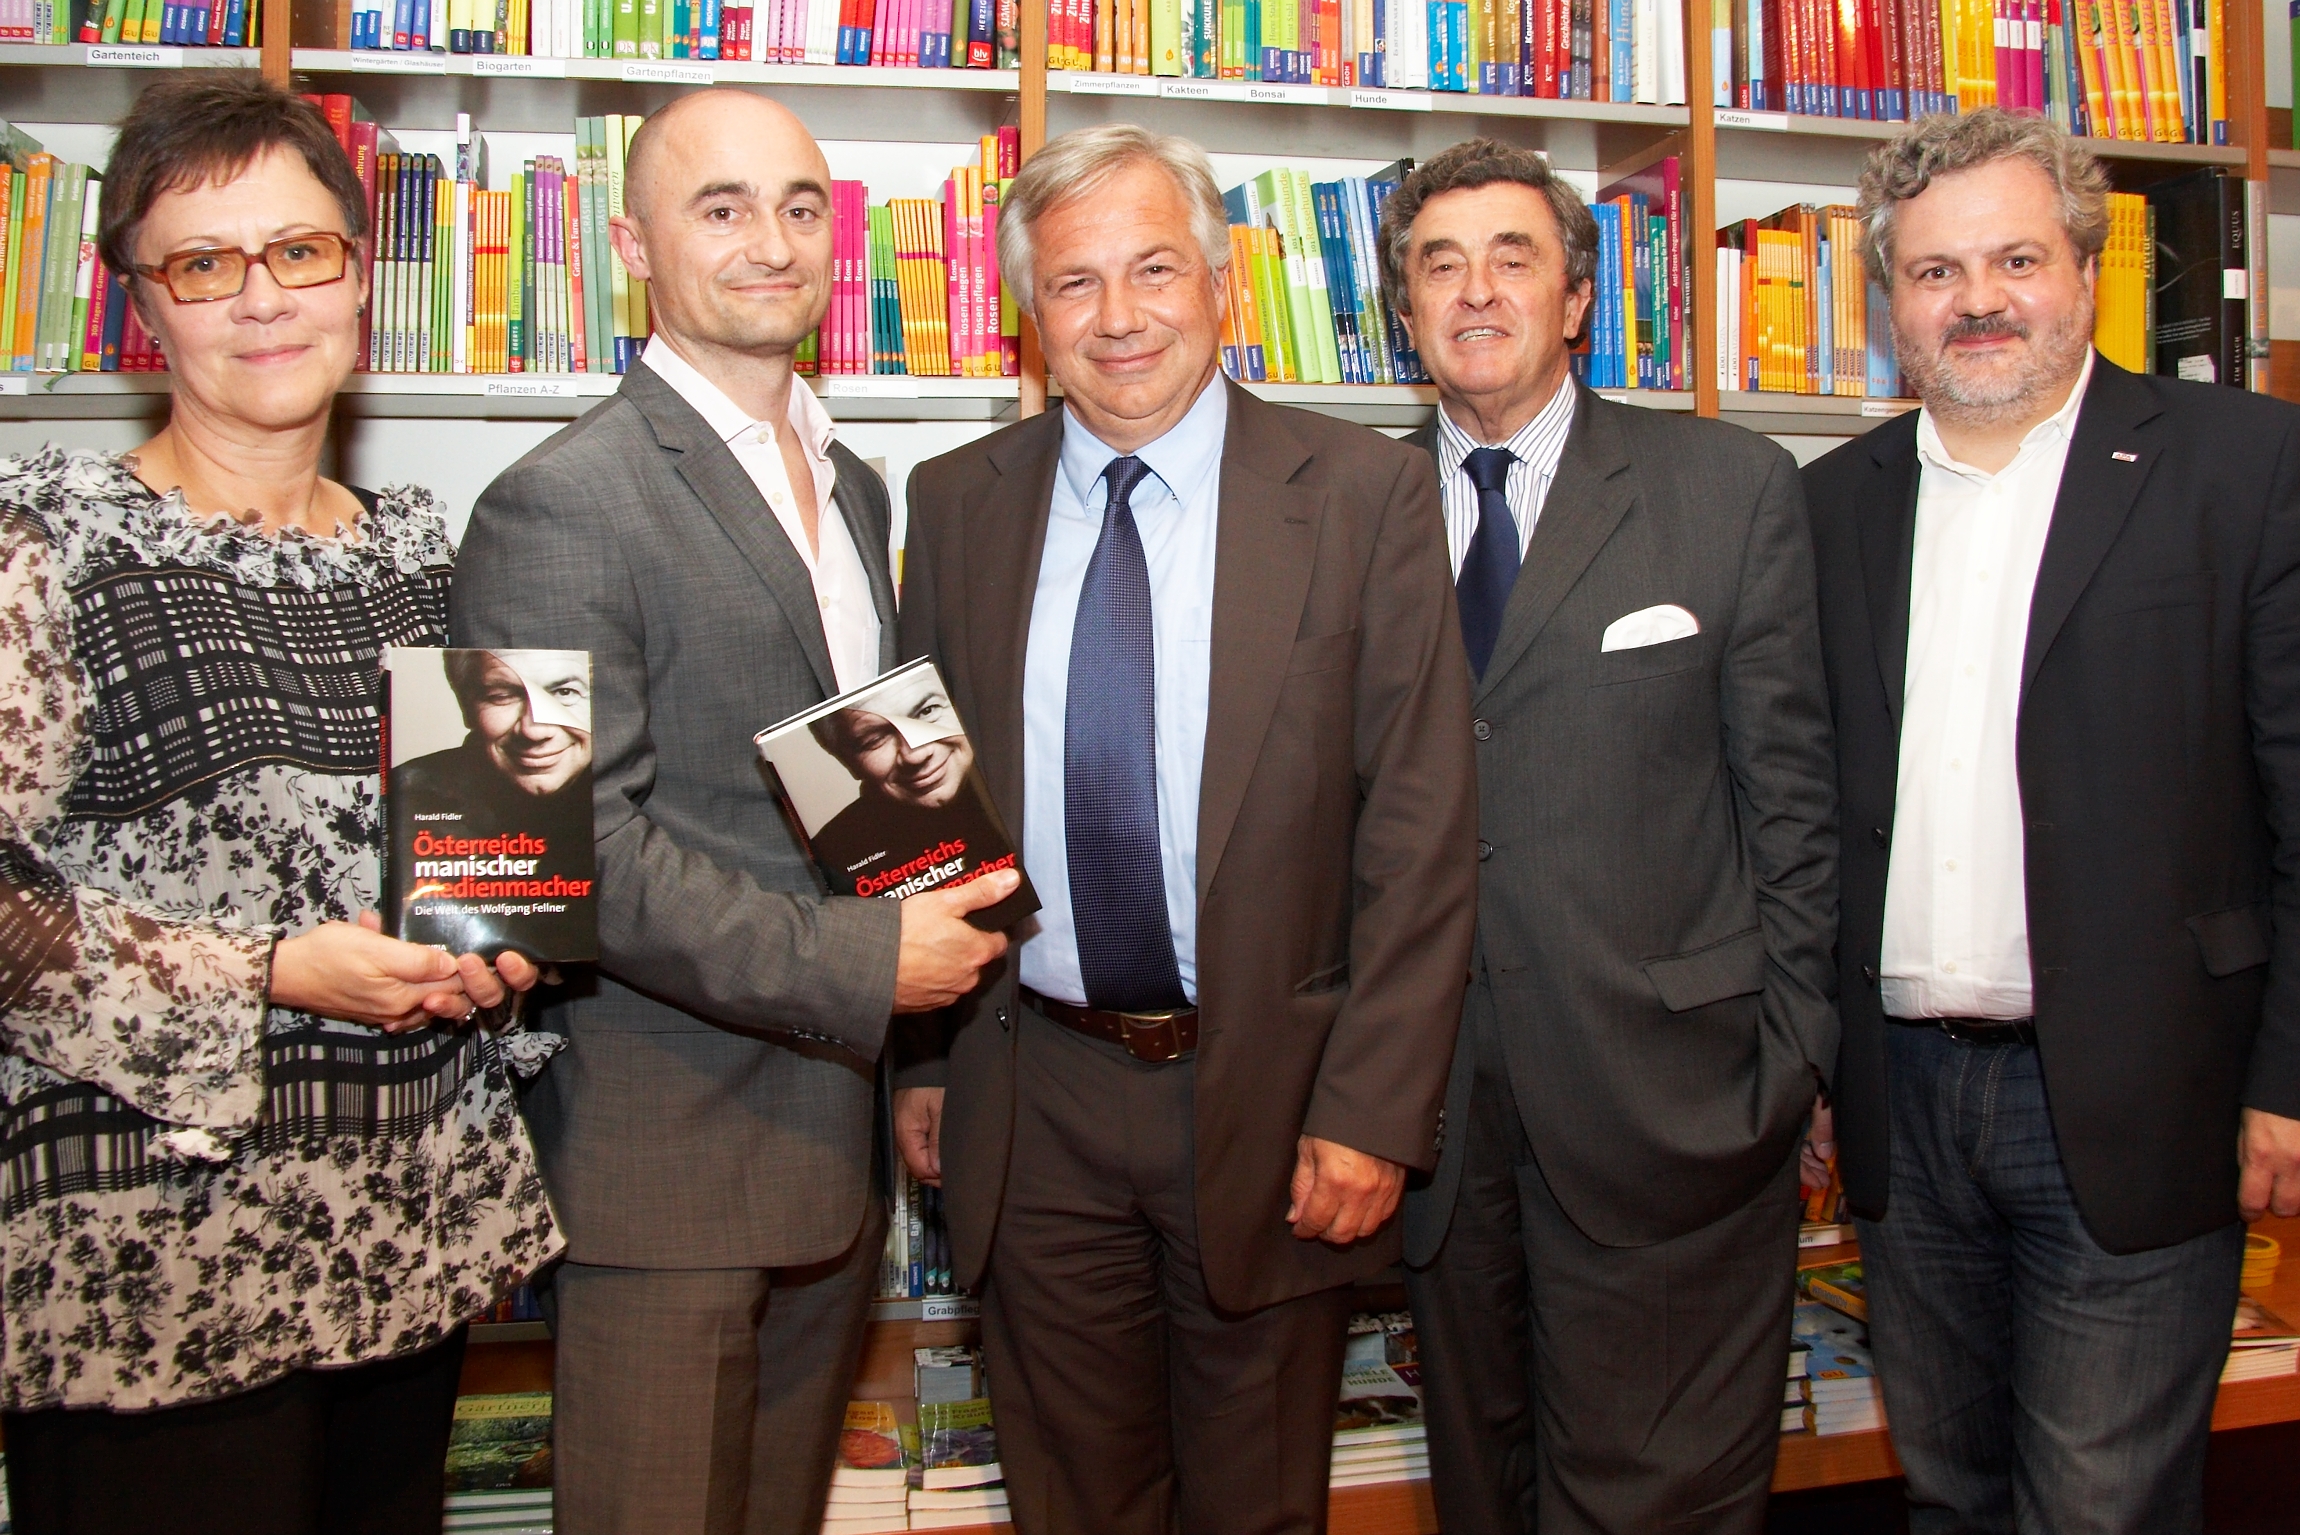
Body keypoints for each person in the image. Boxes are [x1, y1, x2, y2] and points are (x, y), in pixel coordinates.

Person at [891, 123, 1479, 1535]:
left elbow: (1420, 828)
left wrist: (1369, 1107)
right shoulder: (956, 502)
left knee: (1255, 1500)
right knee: (1072, 1500)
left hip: (1270, 1093)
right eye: (1075, 282)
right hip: (1034, 1088)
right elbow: (926, 807)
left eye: (1154, 268)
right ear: (1032, 318)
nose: (1120, 316)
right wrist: (925, 1056)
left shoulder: (1363, 494)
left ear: (1223, 283)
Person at [451, 90, 1017, 1535]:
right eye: (722, 208)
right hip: (664, 1168)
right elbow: (556, 854)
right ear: (633, 244)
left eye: (801, 206)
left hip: (832, 1156)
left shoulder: (855, 485)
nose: (772, 241)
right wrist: (869, 967)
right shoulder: (550, 502)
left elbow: (869, 808)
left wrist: (918, 1054)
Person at [0, 76, 555, 1535]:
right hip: (154, 1268)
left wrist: (498, 948)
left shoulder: (424, 564)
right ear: (142, 305)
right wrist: (269, 970)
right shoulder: (50, 546)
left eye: (299, 251)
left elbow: (482, 868)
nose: (263, 299)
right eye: (204, 263)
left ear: (360, 277)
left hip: (407, 1239)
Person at [1803, 108, 2300, 1534]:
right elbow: (1810, 812)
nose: (1978, 299)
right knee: (1947, 1491)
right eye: (1935, 270)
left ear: (2085, 270)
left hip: (2144, 1090)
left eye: (2015, 259)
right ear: (1889, 300)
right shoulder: (1829, 505)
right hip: (1903, 1102)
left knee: (2100, 1506)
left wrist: (2289, 1076)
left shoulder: (2245, 465)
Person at [1384, 138, 1839, 1535]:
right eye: (1439, 264)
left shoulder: (1727, 485)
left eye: (1512, 258)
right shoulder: (1347, 509)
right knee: (1483, 1494)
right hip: (1431, 1123)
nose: (1475, 291)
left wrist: (1789, 1062)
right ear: (1404, 307)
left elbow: (1793, 806)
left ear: (1578, 297)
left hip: (1674, 1105)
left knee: (1660, 1507)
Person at [389, 649, 596, 957]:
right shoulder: (409, 797)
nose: (534, 730)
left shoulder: (636, 799)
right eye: (502, 696)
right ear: (466, 707)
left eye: (564, 693)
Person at [804, 675, 1008, 892]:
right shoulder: (830, 858)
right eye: (874, 740)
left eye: (927, 712)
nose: (916, 755)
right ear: (847, 762)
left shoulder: (1023, 778)